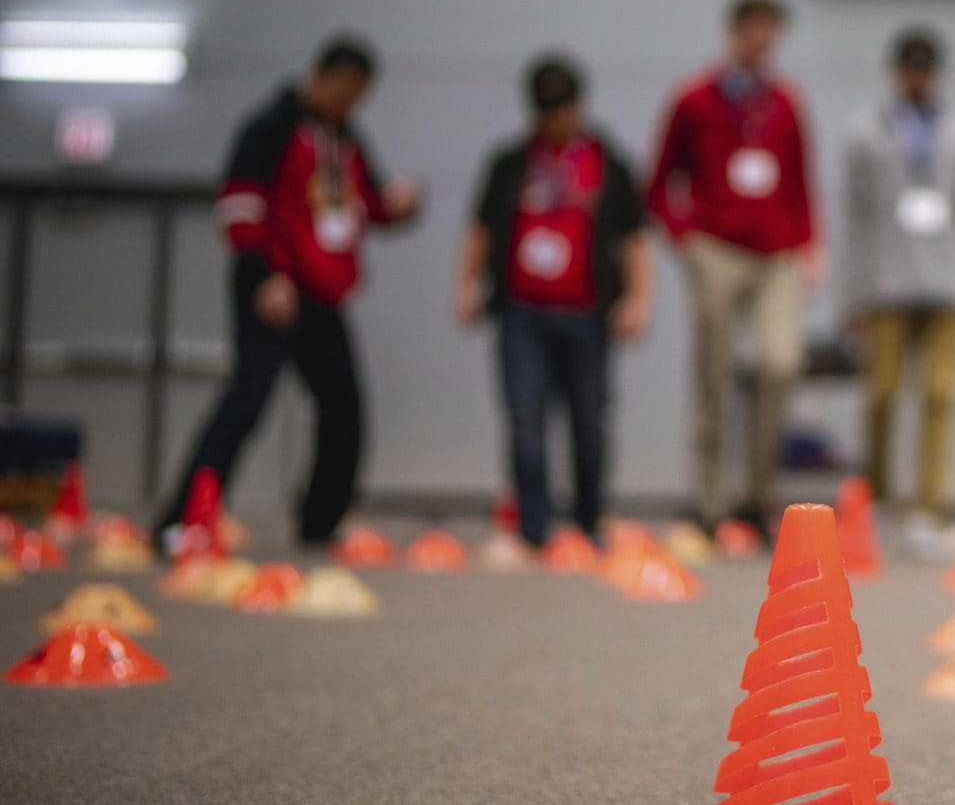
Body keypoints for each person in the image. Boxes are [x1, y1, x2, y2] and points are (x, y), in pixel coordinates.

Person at [155, 35, 421, 551]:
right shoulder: (270, 129)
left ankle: (321, 520)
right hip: (274, 286)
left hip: (323, 294)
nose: (349, 102)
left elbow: (366, 205)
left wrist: (401, 207)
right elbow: (239, 205)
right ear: (318, 75)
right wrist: (261, 276)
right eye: (343, 89)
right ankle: (183, 519)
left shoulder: (346, 140)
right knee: (247, 402)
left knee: (344, 408)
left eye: (358, 95)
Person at [455, 55, 651, 548]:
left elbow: (633, 237)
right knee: (526, 418)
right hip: (523, 311)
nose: (554, 121)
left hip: (586, 311)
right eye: (545, 111)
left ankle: (589, 520)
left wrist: (637, 299)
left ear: (579, 107)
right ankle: (533, 527)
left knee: (589, 421)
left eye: (562, 110)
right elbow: (481, 229)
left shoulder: (608, 162)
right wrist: (466, 284)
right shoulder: (511, 163)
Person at [644, 0, 819, 541]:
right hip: (716, 250)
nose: (762, 41)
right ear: (734, 33)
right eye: (754, 30)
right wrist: (685, 241)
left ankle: (758, 497)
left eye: (771, 32)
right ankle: (708, 500)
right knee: (713, 376)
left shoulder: (786, 101)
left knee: (779, 364)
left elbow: (800, 180)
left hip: (776, 255)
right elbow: (659, 181)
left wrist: (810, 244)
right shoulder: (694, 98)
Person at [843, 28, 955, 553]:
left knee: (941, 396)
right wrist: (852, 295)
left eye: (925, 70)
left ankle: (930, 508)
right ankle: (879, 499)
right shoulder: (865, 131)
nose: (917, 79)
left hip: (948, 283)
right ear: (895, 72)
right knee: (881, 394)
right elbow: (856, 216)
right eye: (909, 69)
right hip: (886, 283)